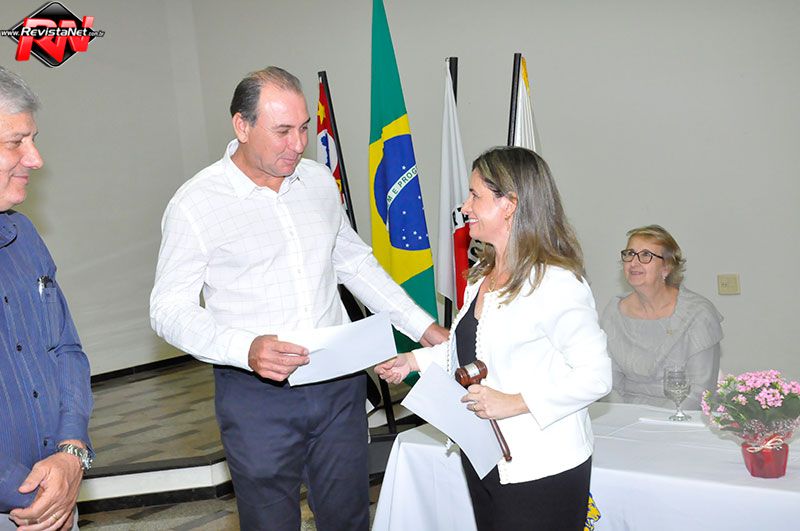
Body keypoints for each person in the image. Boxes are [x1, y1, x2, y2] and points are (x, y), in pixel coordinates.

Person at [149, 66, 446, 531]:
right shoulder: (196, 204)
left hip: (339, 385)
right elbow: (168, 309)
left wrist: (423, 328)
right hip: (257, 396)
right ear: (242, 126)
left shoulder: (319, 182)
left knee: (349, 518)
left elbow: (355, 264)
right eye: (283, 131)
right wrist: (244, 348)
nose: (298, 143)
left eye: (304, 128)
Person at [376, 146, 611, 531]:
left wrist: (514, 402)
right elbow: (471, 352)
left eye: (475, 195)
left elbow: (596, 376)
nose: (465, 206)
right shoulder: (483, 276)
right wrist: (413, 361)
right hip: (485, 455)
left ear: (510, 204)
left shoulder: (556, 283)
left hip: (541, 466)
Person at [0, 67, 93, 531]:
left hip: (55, 498)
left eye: (33, 139)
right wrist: (30, 490)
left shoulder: (25, 236)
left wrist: (71, 452)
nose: (35, 159)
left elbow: (66, 350)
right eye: (16, 142)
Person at [600, 225, 723, 409]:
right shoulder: (613, 312)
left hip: (680, 416)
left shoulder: (698, 313)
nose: (634, 263)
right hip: (624, 415)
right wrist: (624, 418)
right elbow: (609, 382)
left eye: (646, 255)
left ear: (666, 267)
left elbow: (700, 391)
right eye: (630, 254)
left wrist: (657, 422)